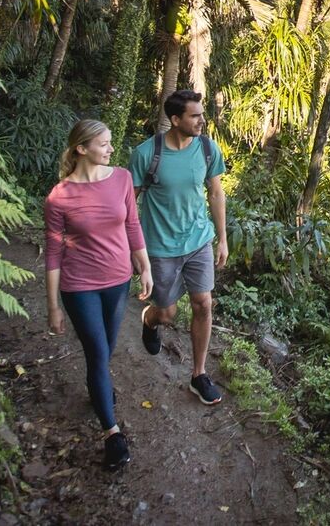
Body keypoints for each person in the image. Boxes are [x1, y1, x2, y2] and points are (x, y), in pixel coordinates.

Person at [44, 119, 152, 469]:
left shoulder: (121, 178)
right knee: (96, 352)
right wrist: (53, 307)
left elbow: (132, 224)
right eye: (103, 144)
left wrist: (144, 266)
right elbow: (54, 253)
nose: (110, 149)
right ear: (81, 149)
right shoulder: (59, 196)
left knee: (106, 349)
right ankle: (112, 432)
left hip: (118, 280)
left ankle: (99, 389)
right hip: (79, 287)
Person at [130, 89, 228, 406]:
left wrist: (222, 238)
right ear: (175, 119)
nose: (202, 120)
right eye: (194, 115)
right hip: (159, 246)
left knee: (203, 303)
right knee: (167, 311)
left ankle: (199, 375)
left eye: (201, 114)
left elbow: (215, 194)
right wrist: (132, 248)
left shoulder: (208, 149)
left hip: (198, 240)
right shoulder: (147, 154)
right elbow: (129, 202)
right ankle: (150, 319)